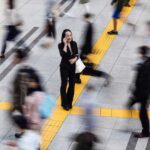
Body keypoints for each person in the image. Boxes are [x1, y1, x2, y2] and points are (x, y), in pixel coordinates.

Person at [127, 46, 150, 138]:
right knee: (140, 111)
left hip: (142, 94)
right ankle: (145, 131)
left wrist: (135, 95)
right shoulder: (145, 63)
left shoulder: (145, 66)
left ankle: (145, 132)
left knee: (142, 113)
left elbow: (142, 82)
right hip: (143, 93)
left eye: (140, 53)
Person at [58, 29, 78, 110]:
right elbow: (63, 55)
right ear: (64, 37)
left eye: (70, 35)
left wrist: (75, 59)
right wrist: (65, 44)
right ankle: (64, 103)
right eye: (67, 35)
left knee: (72, 85)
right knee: (64, 84)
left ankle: (69, 102)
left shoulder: (74, 43)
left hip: (73, 67)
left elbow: (77, 54)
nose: (69, 37)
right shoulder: (60, 45)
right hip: (64, 67)